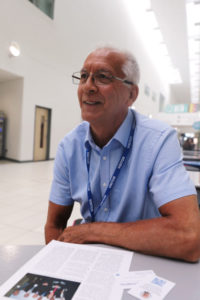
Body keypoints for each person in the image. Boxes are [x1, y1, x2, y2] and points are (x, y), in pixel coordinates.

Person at [45, 47, 200, 262]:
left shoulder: (158, 140)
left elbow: (189, 237)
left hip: (147, 258)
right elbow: (54, 225)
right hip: (92, 262)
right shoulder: (69, 146)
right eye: (83, 76)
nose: (88, 87)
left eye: (102, 77)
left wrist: (93, 231)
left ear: (131, 94)